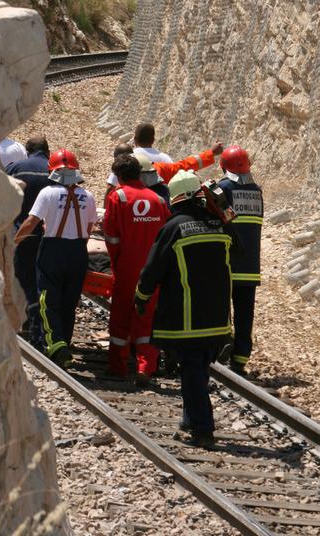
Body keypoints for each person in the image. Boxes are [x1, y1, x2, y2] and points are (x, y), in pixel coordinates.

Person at [135, 171, 233, 449]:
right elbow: (237, 250)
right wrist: (223, 209)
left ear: (175, 198)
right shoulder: (220, 225)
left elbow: (152, 270)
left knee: (191, 372)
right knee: (198, 370)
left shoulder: (174, 227)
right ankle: (189, 421)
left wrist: (141, 297)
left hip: (189, 320)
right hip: (219, 320)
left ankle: (203, 429)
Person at [14, 148, 98, 368]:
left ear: (53, 171)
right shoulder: (88, 197)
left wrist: (15, 241)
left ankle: (55, 345)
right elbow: (88, 230)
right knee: (69, 302)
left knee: (47, 300)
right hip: (78, 251)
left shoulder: (48, 193)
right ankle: (63, 345)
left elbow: (31, 222)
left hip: (53, 249)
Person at [103, 153, 170, 383]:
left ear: (120, 175)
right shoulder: (158, 200)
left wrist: (116, 263)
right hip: (152, 269)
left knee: (121, 315)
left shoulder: (117, 197)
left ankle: (118, 366)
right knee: (147, 317)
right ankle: (145, 367)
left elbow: (111, 237)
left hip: (127, 267)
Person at [217, 145, 264, 375]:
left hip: (227, 262)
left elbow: (218, 218)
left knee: (222, 308)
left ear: (222, 165)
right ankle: (241, 358)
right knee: (245, 313)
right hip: (250, 266)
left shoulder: (223, 188)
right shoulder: (257, 191)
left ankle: (223, 348)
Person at [5, 136, 51, 347]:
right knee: (41, 281)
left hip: (21, 233)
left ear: (27, 151)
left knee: (23, 279)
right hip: (49, 236)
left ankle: (29, 324)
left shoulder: (16, 167)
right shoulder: (55, 170)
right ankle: (43, 327)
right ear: (47, 151)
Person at [107, 141, 223, 204]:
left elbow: (108, 195)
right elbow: (184, 165)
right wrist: (210, 153)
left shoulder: (118, 176)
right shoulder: (158, 168)